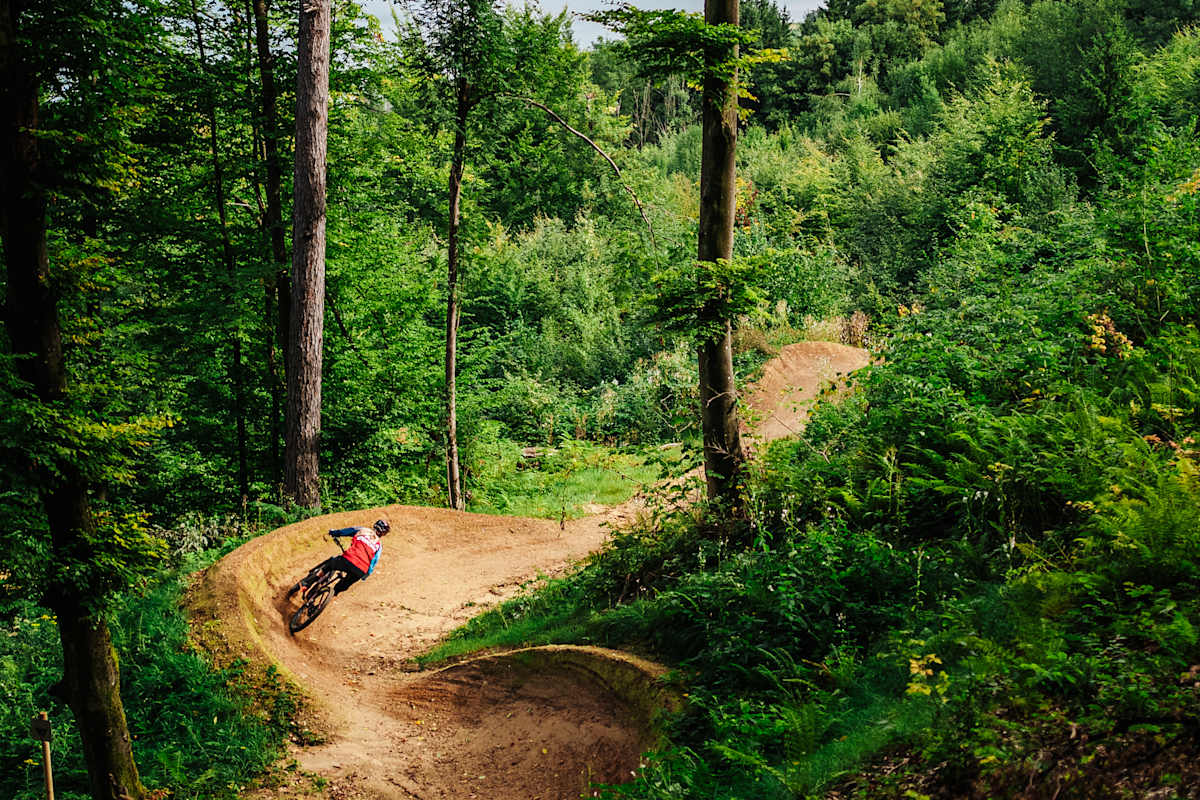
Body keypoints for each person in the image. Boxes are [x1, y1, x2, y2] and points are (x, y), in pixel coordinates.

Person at [296, 518, 390, 597]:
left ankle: (306, 584)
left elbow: (346, 531)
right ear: (383, 534)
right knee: (342, 586)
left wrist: (334, 532)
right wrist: (365, 576)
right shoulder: (379, 545)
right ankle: (322, 601)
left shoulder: (363, 530)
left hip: (349, 559)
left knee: (328, 566)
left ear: (375, 525)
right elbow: (373, 563)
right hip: (361, 570)